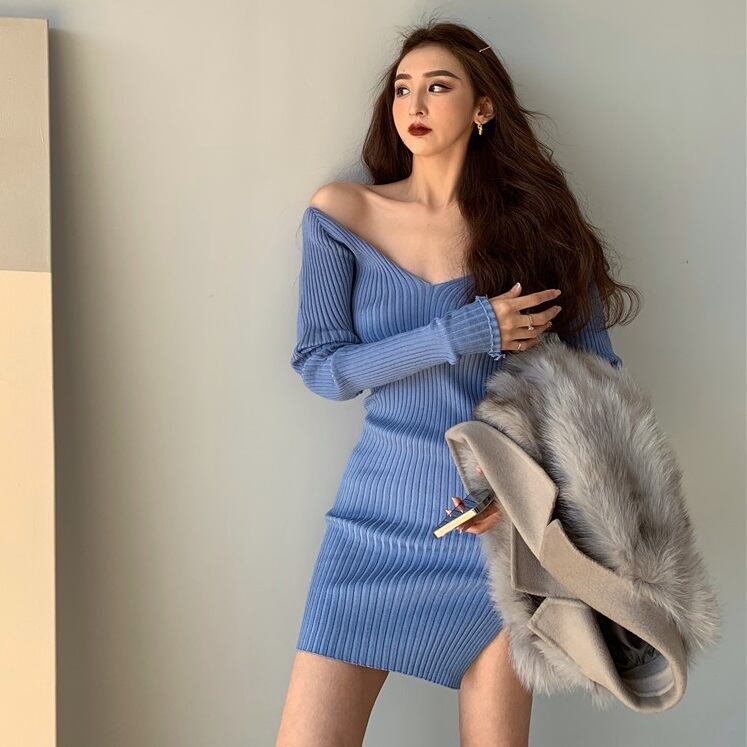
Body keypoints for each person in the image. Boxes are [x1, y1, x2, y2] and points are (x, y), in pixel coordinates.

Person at [277, 19, 638, 747]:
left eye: (438, 87)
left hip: (496, 536)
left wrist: (524, 487)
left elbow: (599, 385)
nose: (413, 104)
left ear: (482, 108)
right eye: (402, 88)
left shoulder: (537, 230)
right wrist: (462, 332)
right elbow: (323, 367)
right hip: (370, 528)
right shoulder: (343, 213)